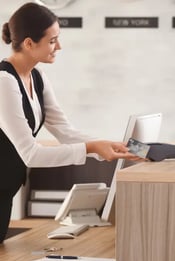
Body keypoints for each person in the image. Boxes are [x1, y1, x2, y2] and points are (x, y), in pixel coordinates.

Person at [0, 2, 135, 243]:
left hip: (5, 191)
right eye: (52, 40)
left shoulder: (37, 77)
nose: (58, 46)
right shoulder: (4, 82)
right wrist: (92, 148)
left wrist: (109, 145)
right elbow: (30, 154)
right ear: (29, 43)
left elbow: (65, 131)